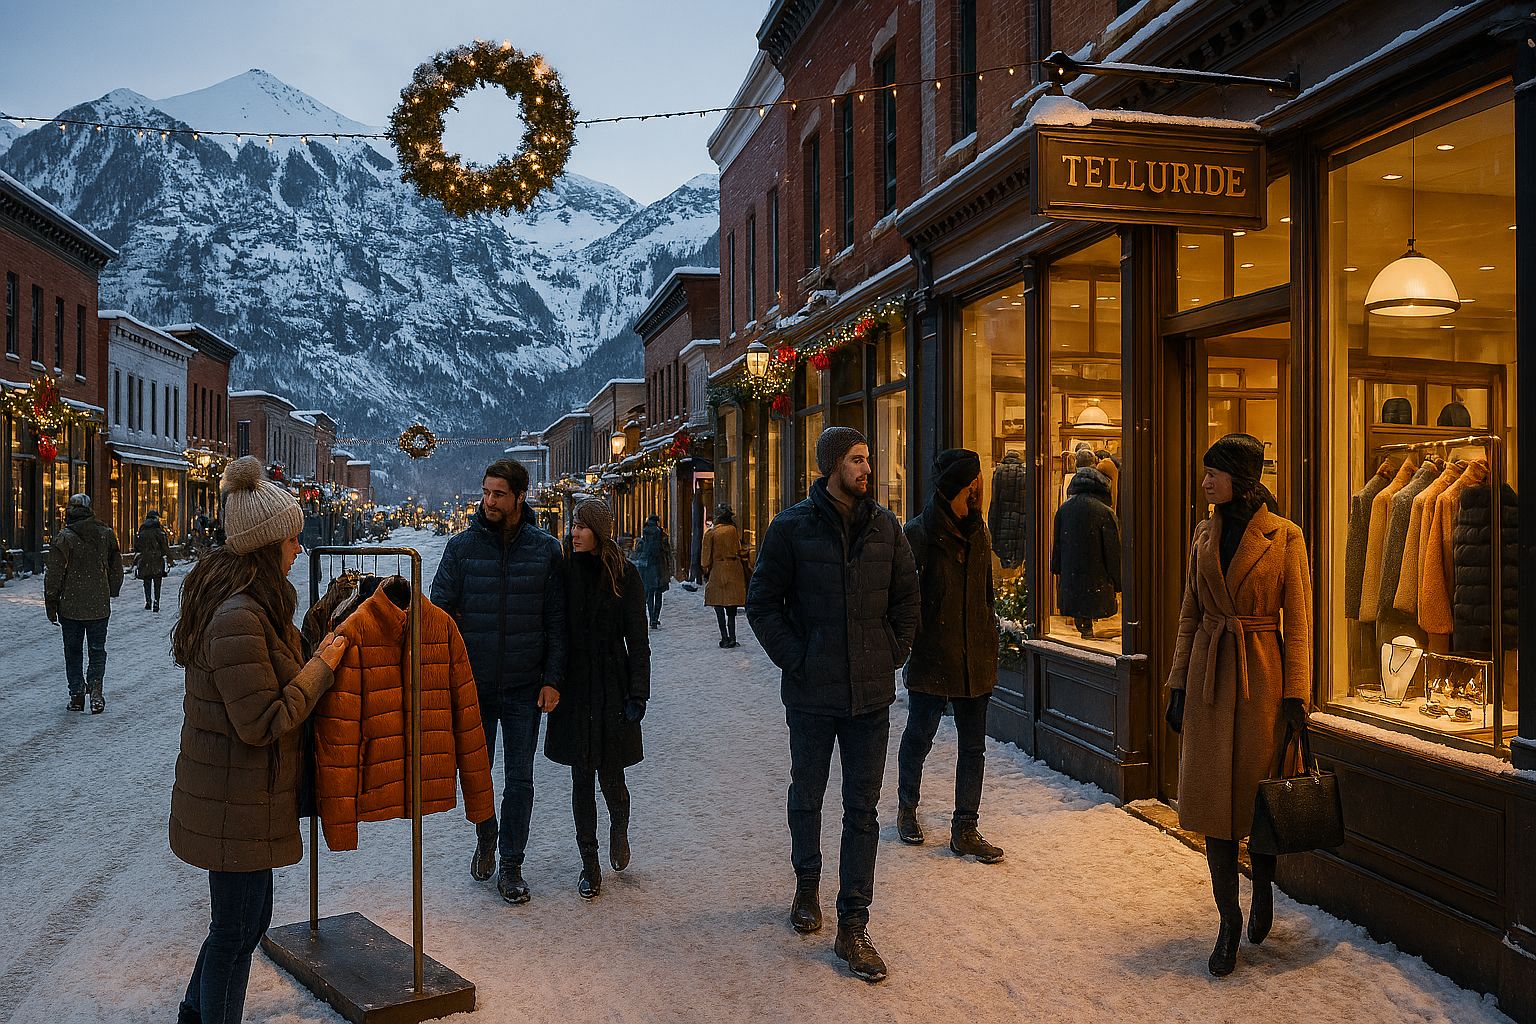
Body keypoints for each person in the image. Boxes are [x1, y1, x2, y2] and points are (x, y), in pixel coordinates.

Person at [169, 456, 349, 1024]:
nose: (299, 546)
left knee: (239, 924)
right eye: (292, 538)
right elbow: (265, 718)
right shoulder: (238, 617)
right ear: (267, 546)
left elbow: (278, 666)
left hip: (241, 799)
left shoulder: (256, 608)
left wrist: (326, 617)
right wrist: (322, 666)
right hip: (233, 802)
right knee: (237, 931)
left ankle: (195, 1015)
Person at [747, 425, 920, 983]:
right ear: (830, 466)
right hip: (813, 695)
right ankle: (805, 885)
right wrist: (799, 658)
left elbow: (908, 598)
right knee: (807, 796)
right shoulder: (791, 528)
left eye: (868, 458)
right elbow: (762, 604)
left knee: (862, 810)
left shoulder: (886, 528)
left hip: (870, 696)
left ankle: (853, 924)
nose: (867, 468)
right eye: (856, 459)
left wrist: (891, 651)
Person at [1164, 433, 1312, 978]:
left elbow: (1297, 623)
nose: (1205, 483)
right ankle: (1227, 924)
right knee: (1212, 814)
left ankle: (1265, 885)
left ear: (1241, 479)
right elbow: (1188, 614)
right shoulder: (1204, 533)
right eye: (1205, 473)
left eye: (1214, 473)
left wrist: (1297, 695)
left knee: (1259, 805)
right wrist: (1177, 685)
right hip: (1208, 677)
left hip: (1262, 682)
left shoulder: (1285, 537)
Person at [431, 459, 567, 905]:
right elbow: (440, 614)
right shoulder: (461, 548)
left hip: (526, 686)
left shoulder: (545, 550)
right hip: (474, 685)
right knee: (476, 772)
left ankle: (512, 863)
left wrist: (551, 678)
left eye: (499, 494)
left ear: (520, 497)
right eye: (486, 492)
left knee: (521, 779)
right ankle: (486, 832)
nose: (489, 501)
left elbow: (556, 620)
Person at [896, 449, 1004, 863]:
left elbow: (986, 594)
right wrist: (913, 641)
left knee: (973, 746)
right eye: (975, 479)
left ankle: (965, 827)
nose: (980, 486)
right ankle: (908, 806)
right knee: (920, 736)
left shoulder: (980, 531)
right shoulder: (919, 534)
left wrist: (989, 636)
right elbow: (903, 600)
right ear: (960, 485)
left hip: (975, 657)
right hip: (933, 657)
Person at [545, 499, 650, 900]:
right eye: (573, 525)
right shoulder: (563, 571)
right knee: (580, 779)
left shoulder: (625, 575)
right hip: (574, 686)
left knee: (612, 775)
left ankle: (619, 827)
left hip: (612, 685)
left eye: (582, 526)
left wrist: (638, 694)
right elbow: (553, 628)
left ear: (599, 532)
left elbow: (638, 643)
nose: (574, 532)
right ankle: (589, 862)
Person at [44, 493, 123, 714]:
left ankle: (77, 694)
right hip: (98, 605)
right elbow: (116, 566)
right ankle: (96, 691)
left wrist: (51, 601)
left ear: (69, 511)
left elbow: (54, 573)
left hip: (70, 607)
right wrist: (111, 589)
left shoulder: (64, 538)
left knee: (73, 651)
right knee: (97, 650)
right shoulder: (105, 534)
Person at [701, 503, 747, 648]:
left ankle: (724, 637)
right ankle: (733, 636)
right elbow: (738, 549)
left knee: (719, 604)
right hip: (734, 568)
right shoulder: (733, 530)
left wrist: (706, 569)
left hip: (718, 569)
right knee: (731, 606)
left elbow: (705, 559)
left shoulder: (711, 533)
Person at [633, 514, 675, 629]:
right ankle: (656, 618)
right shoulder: (661, 534)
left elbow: (639, 552)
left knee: (650, 594)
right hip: (659, 566)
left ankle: (651, 618)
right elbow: (667, 552)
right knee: (659, 593)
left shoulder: (644, 534)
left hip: (648, 567)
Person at [134, 509, 175, 612]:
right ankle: (156, 602)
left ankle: (148, 601)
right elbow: (164, 547)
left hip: (145, 560)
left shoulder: (142, 530)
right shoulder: (159, 530)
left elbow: (137, 546)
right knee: (157, 582)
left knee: (147, 581)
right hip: (157, 560)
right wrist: (170, 558)